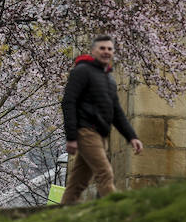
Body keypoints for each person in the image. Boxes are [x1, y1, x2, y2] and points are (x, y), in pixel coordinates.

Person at [60, 35, 143, 205]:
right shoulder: (82, 71)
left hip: (100, 135)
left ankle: (58, 216)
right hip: (85, 131)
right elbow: (68, 102)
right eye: (102, 48)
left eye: (110, 49)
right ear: (93, 51)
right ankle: (119, 213)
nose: (106, 52)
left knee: (77, 182)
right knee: (105, 173)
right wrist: (71, 137)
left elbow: (117, 112)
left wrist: (132, 136)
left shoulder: (108, 79)